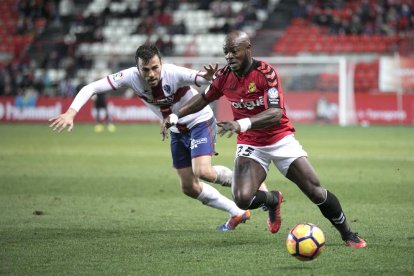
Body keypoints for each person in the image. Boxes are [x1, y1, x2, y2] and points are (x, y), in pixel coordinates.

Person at [163, 31, 367, 248]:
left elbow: (275, 113)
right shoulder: (224, 76)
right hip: (251, 143)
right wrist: (176, 115)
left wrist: (241, 124)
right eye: (226, 52)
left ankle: (348, 234)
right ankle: (272, 200)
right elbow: (203, 99)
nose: (229, 56)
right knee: (242, 198)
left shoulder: (266, 73)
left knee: (314, 190)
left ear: (247, 49)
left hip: (279, 138)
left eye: (234, 51)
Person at [49, 44, 251, 231]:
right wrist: (71, 112)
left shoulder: (173, 72)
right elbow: (90, 87)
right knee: (189, 187)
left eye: (155, 67)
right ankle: (237, 212)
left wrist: (207, 76)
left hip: (199, 121)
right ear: (138, 68)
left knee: (203, 171)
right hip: (175, 130)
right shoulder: (129, 77)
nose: (151, 74)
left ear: (161, 63)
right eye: (145, 70)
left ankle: (245, 182)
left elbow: (203, 79)